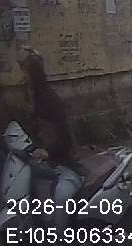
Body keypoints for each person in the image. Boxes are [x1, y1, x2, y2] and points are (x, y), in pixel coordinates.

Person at [16, 47, 83, 227]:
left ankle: (59, 238)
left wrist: (47, 152)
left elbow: (65, 138)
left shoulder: (48, 99)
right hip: (45, 162)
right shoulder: (33, 97)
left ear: (34, 74)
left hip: (64, 163)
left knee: (57, 204)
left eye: (25, 71)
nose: (23, 77)